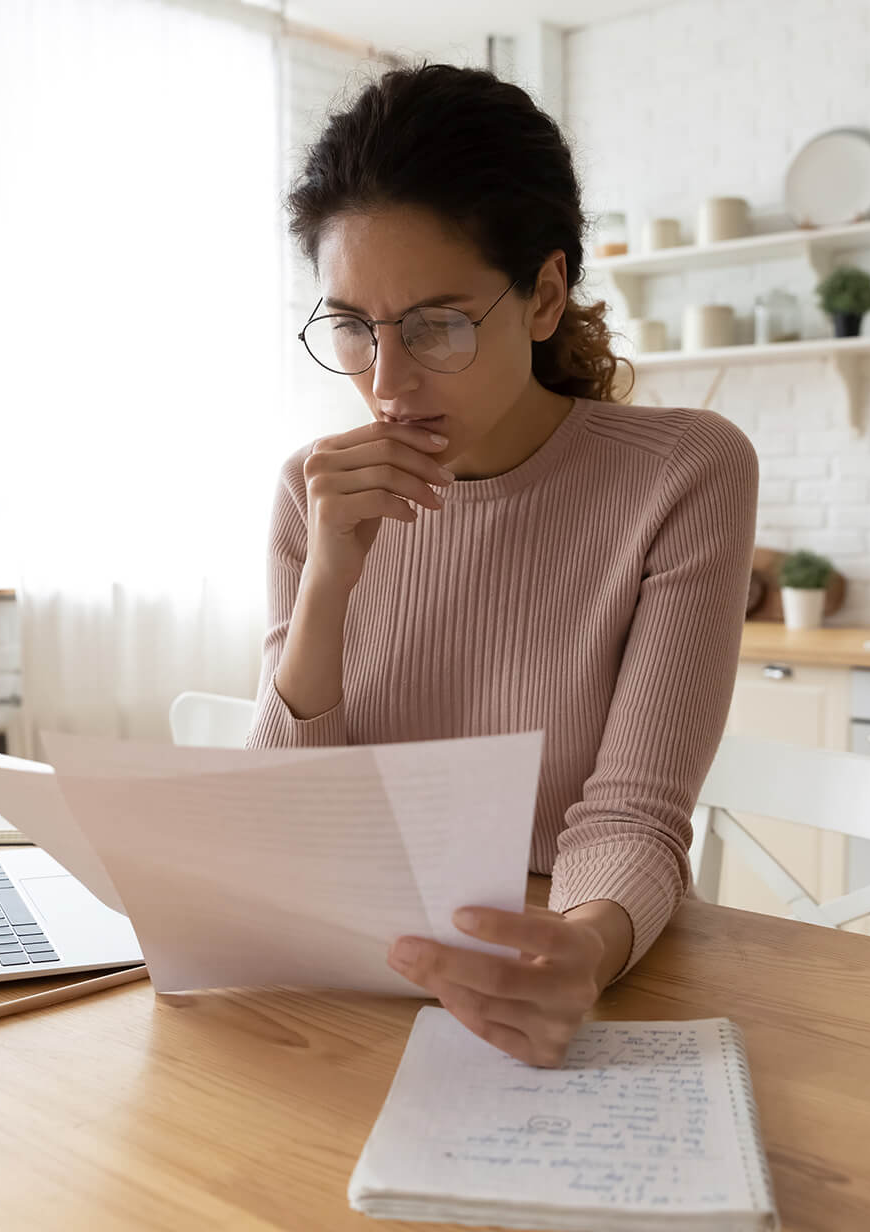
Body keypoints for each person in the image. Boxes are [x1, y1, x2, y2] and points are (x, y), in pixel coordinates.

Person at [244, 63, 758, 1068]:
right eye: (351, 326)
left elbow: (631, 811)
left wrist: (581, 946)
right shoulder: (314, 492)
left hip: (568, 981)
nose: (385, 383)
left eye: (436, 324)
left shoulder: (683, 473)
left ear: (543, 295)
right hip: (347, 997)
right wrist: (327, 585)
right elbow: (290, 832)